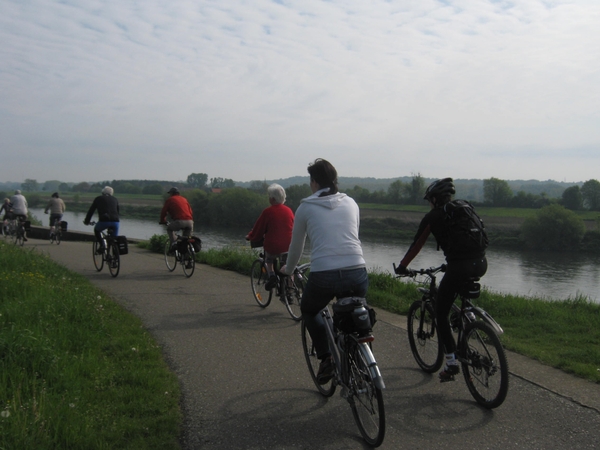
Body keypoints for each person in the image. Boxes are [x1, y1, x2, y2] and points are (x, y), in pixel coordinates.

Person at [281, 158, 368, 384]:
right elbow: (352, 236)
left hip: (324, 275)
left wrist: (288, 270)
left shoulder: (305, 208)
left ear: (314, 182)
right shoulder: (351, 203)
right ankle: (358, 355)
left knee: (310, 310)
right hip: (356, 270)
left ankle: (327, 358)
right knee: (352, 312)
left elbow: (296, 246)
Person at [394, 177, 488, 382]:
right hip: (481, 263)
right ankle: (467, 323)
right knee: (458, 297)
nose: (429, 203)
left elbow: (417, 244)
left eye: (429, 199)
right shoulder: (464, 208)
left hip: (458, 267)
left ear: (435, 199)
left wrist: (402, 267)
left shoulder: (434, 216)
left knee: (440, 313)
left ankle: (452, 361)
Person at [245, 184, 294, 290]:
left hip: (274, 246)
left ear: (272, 198)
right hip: (289, 245)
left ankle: (272, 276)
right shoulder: (289, 210)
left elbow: (258, 229)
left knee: (268, 259)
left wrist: (250, 236)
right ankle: (290, 289)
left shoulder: (268, 212)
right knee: (288, 266)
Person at [83, 186, 120, 252]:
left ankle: (102, 245)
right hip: (116, 222)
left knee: (97, 230)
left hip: (104, 221)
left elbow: (91, 211)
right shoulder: (115, 199)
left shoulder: (98, 199)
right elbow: (117, 212)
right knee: (114, 238)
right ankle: (114, 254)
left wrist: (87, 221)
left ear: (103, 192)